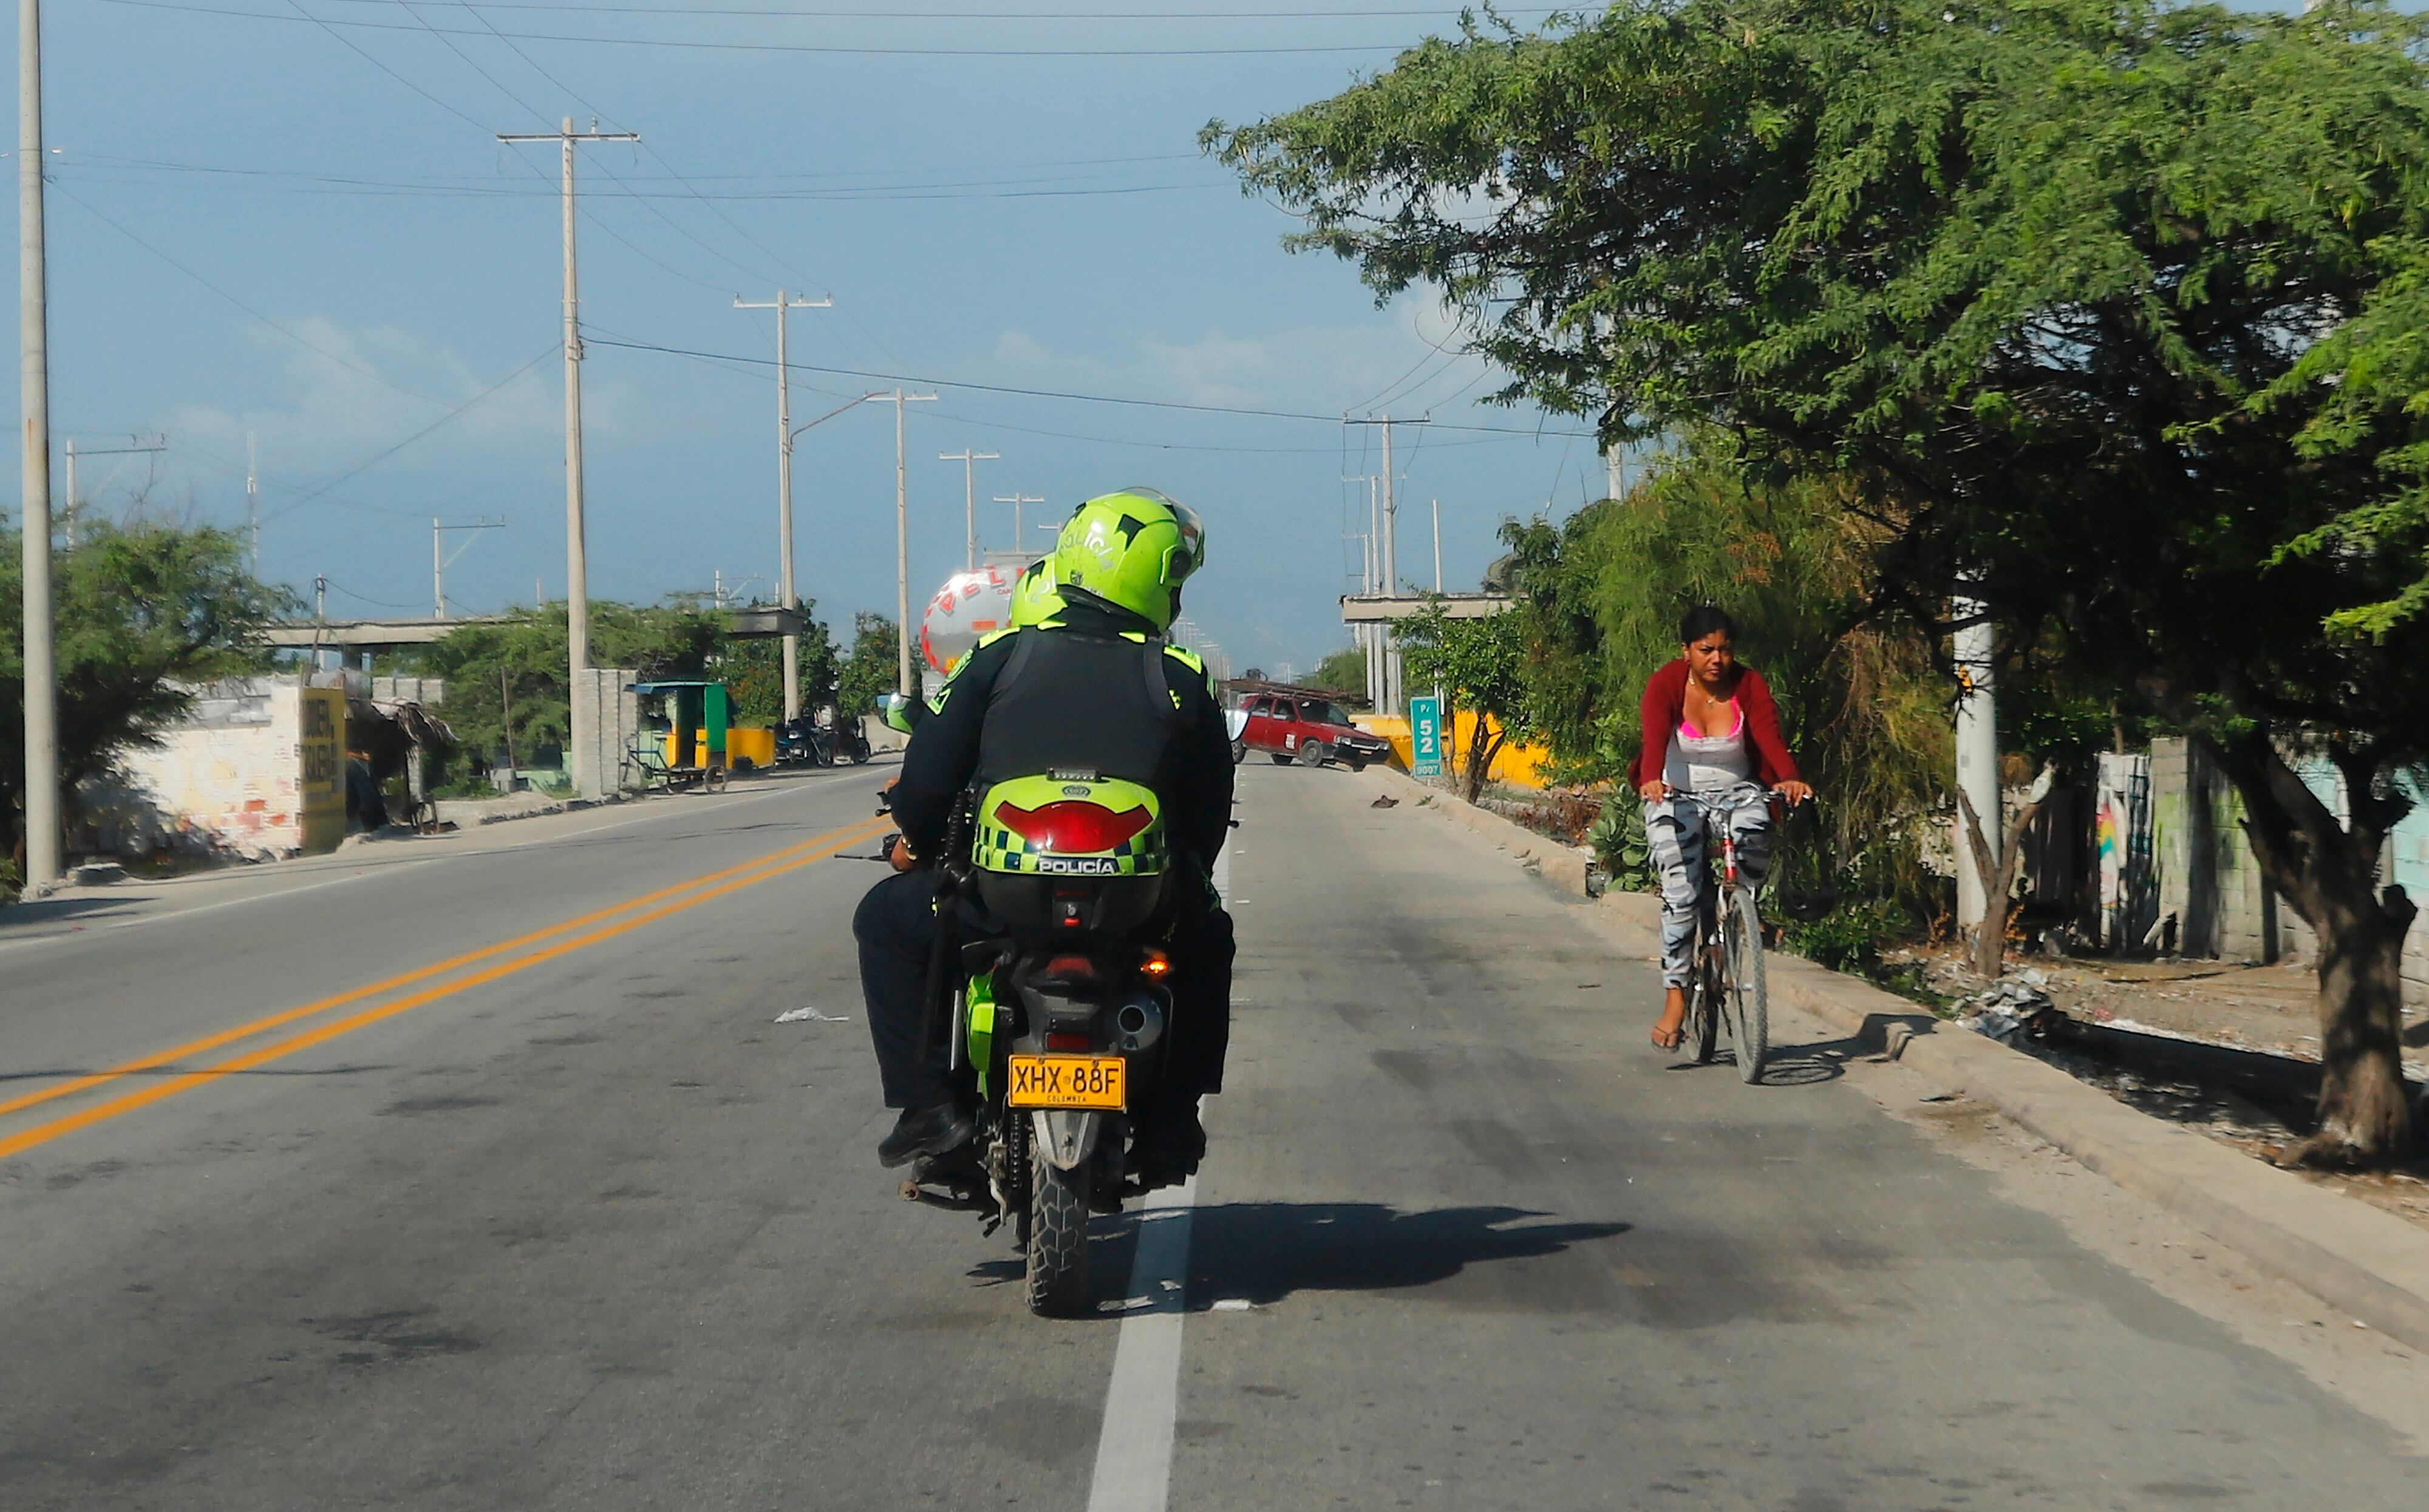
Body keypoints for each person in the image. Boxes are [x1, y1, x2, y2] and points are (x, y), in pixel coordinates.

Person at [853, 488, 1237, 1184]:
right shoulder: (1181, 676)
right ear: (1155, 583)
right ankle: (1173, 1117)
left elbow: (929, 778)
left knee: (887, 918)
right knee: (1210, 942)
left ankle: (930, 1108)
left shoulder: (1000, 657)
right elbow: (1207, 814)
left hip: (1001, 904)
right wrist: (1183, 889)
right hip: (1136, 911)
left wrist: (918, 840)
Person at [1636, 606, 1813, 1051]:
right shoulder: (1666, 683)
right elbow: (1654, 735)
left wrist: (1789, 776)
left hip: (1738, 792)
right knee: (1679, 895)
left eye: (1725, 650)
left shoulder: (1749, 685)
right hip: (1677, 794)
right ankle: (1676, 996)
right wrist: (1651, 778)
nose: (1717, 659)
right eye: (1706, 650)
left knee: (1755, 840)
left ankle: (1734, 921)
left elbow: (1769, 735)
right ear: (1687, 652)